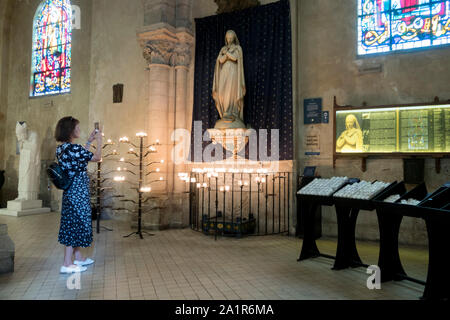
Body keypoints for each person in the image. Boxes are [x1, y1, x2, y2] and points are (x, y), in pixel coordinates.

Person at [54, 117, 102, 274]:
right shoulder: (74, 149)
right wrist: (99, 141)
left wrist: (88, 141)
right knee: (74, 225)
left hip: (70, 191)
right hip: (78, 192)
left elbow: (80, 159)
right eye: (77, 127)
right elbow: (96, 158)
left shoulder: (62, 149)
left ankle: (78, 257)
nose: (79, 130)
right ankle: (67, 263)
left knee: (74, 222)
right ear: (71, 130)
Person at [212, 30, 246, 129]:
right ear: (226, 38)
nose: (230, 40)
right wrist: (226, 55)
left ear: (234, 38)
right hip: (224, 73)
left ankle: (233, 113)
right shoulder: (223, 48)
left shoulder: (237, 48)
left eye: (231, 38)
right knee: (222, 92)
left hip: (233, 73)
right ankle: (225, 113)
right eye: (228, 38)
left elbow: (235, 58)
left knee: (231, 92)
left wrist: (226, 53)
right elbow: (220, 60)